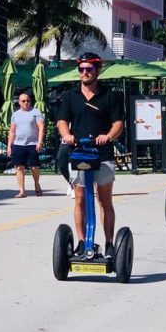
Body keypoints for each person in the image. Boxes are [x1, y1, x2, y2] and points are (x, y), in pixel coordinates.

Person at [57, 52, 124, 259]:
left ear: (97, 70)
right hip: (78, 153)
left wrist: (108, 136)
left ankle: (110, 243)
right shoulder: (70, 96)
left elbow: (118, 124)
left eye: (89, 69)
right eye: (81, 69)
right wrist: (67, 135)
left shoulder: (110, 95)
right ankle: (82, 242)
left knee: (105, 201)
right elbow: (61, 121)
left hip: (102, 154)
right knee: (80, 200)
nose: (84, 73)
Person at [6, 92, 45, 198]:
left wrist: (39, 141)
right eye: (23, 101)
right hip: (18, 144)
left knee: (34, 167)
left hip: (32, 144)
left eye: (28, 100)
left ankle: (37, 184)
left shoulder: (35, 112)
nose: (26, 103)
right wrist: (9, 145)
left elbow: (41, 127)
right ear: (19, 102)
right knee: (19, 167)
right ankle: (22, 191)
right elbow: (12, 131)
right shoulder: (15, 114)